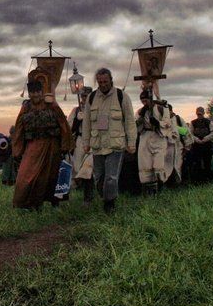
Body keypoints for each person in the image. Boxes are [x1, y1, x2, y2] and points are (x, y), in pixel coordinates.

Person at [12, 80, 73, 209]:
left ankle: (52, 202)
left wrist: (65, 146)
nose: (35, 95)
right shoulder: (26, 107)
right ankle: (26, 204)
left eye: (38, 92)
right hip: (32, 146)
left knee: (50, 176)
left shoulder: (51, 105)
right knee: (25, 175)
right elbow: (19, 129)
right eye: (32, 92)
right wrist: (17, 151)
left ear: (42, 91)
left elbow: (63, 124)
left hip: (52, 146)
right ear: (29, 94)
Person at [82, 68, 136, 214]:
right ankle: (106, 197)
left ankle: (109, 204)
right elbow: (86, 122)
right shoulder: (91, 98)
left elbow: (130, 121)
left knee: (111, 177)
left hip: (115, 144)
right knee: (98, 177)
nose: (103, 84)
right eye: (100, 82)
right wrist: (85, 142)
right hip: (98, 144)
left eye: (105, 81)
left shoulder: (121, 96)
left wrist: (131, 143)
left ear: (111, 80)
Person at [136, 90, 174, 195]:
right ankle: (148, 192)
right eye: (142, 101)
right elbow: (135, 124)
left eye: (146, 100)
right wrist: (140, 120)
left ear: (150, 99)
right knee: (145, 164)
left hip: (158, 137)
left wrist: (158, 123)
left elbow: (167, 123)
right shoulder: (141, 111)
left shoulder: (161, 108)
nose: (144, 103)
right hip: (145, 138)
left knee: (159, 165)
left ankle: (161, 188)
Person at [67, 89, 95, 205]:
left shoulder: (95, 108)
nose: (84, 99)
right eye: (83, 96)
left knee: (88, 169)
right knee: (78, 168)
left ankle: (88, 197)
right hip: (80, 140)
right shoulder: (76, 110)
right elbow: (70, 129)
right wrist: (77, 122)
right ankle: (86, 190)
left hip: (93, 140)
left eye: (87, 96)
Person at [188, 107, 213, 184]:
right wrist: (197, 139)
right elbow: (190, 133)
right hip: (196, 146)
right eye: (198, 113)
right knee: (197, 163)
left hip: (207, 145)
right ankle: (198, 180)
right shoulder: (193, 122)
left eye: (200, 113)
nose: (199, 115)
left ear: (203, 113)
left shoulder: (209, 122)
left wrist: (205, 139)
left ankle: (208, 180)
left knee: (207, 163)